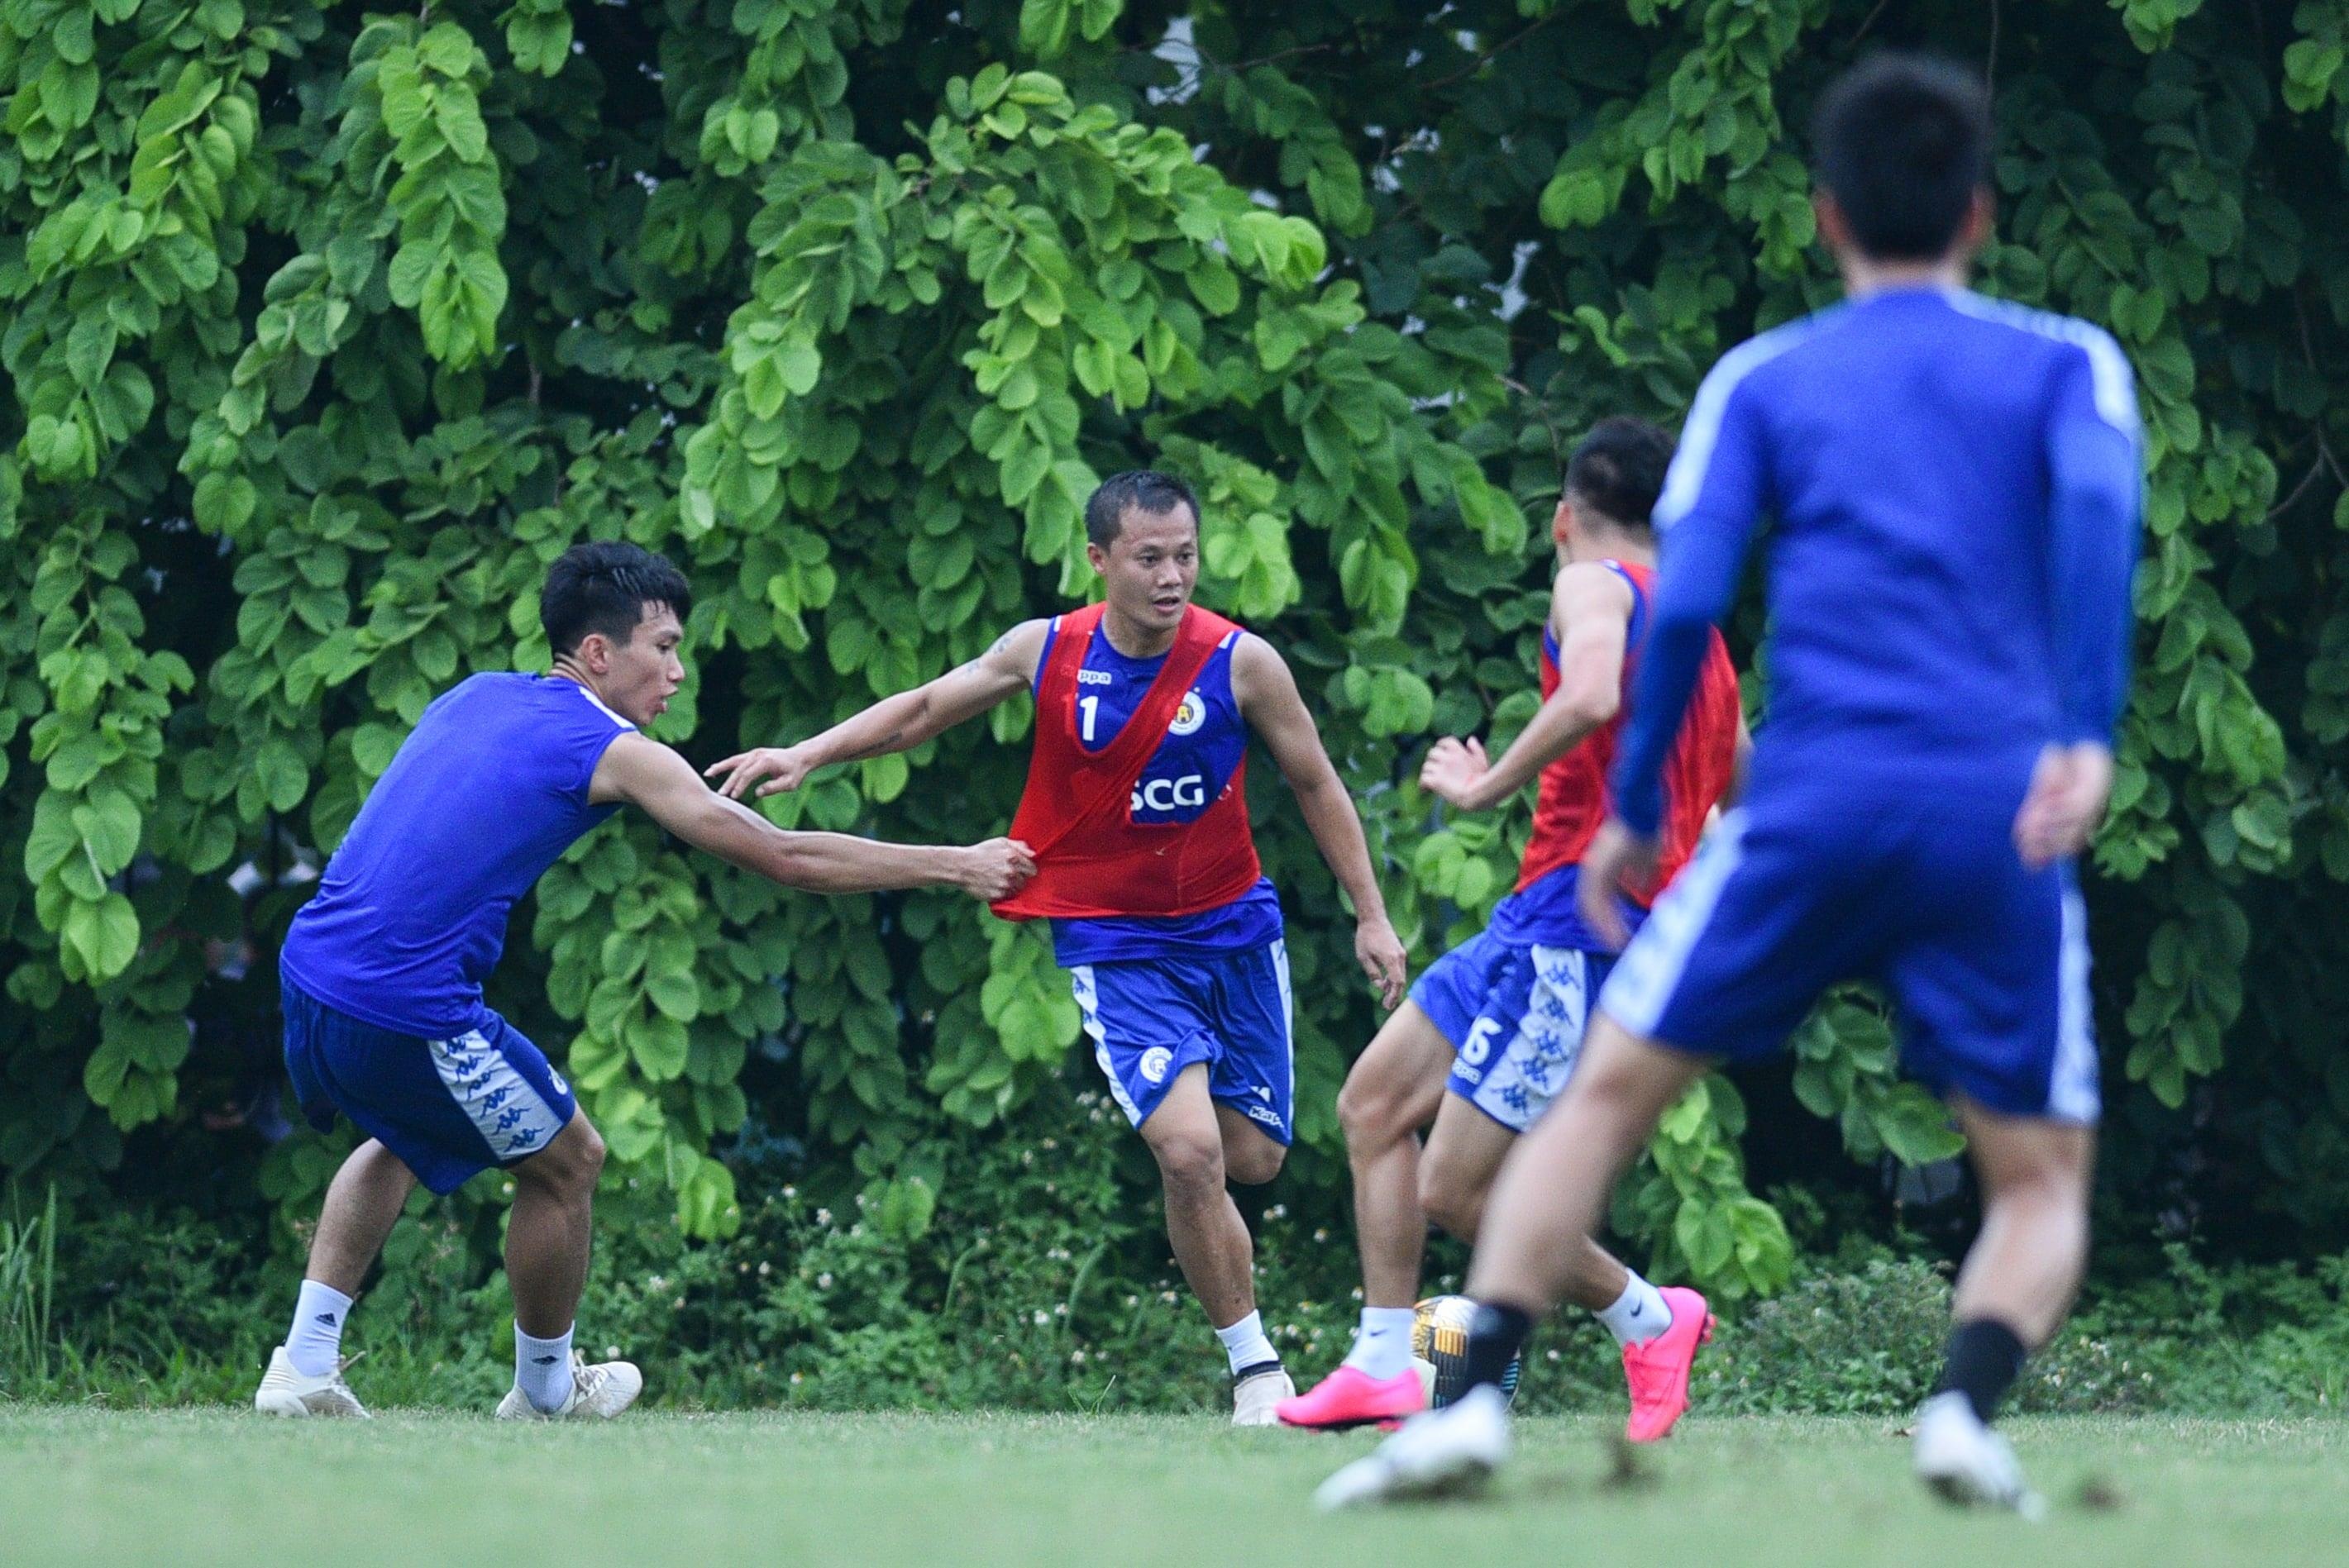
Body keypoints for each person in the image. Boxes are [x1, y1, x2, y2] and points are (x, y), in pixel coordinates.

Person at [1320, 52, 2140, 1512]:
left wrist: (1638, 809)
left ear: (1824, 214)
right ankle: (1961, 1409)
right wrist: (2083, 731)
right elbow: (2096, 534)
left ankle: (1469, 1402)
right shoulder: (2069, 364)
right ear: (1983, 213)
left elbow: (1682, 603)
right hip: (1992, 808)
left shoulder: (1764, 380)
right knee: (2036, 1177)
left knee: (1598, 1106)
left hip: (1811, 805)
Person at [255, 542, 1035, 1420]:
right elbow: (782, 856)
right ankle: (547, 1391)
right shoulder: (613, 747)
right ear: (597, 654)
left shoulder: (475, 694)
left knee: (400, 1131)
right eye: (661, 647)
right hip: (404, 1001)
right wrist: (956, 864)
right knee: (571, 1160)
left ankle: (305, 1362)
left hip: (311, 970)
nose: (679, 670)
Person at [710, 470, 1409, 1424]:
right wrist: (810, 753)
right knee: (1191, 1152)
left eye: (1186, 555)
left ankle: (1261, 1332)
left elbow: (1320, 785)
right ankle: (1257, 1371)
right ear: (1098, 561)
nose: (1172, 576)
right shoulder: (1045, 649)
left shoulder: (1244, 663)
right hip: (1113, 939)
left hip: (1234, 929)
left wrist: (1370, 912)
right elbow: (921, 708)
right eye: (1149, 557)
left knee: (1253, 1158)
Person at [1276, 419, 1742, 1440]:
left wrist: (1483, 785)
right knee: (1370, 1106)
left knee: (1456, 1186)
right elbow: (1739, 776)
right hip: (1530, 923)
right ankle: (1383, 1361)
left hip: (1574, 934)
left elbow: (1589, 692)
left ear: (1565, 517)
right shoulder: (1702, 630)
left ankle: (1654, 1318)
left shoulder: (1592, 583)